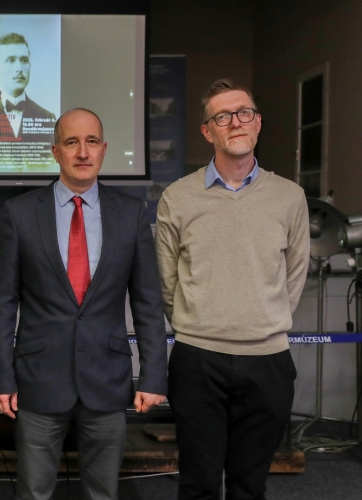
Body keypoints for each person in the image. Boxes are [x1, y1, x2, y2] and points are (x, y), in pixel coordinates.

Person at [0, 108, 168, 500]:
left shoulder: (130, 213)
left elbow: (147, 302)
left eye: (91, 142)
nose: (82, 152)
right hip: (37, 380)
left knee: (102, 493)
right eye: (72, 142)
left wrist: (154, 375)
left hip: (107, 379)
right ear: (56, 151)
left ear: (104, 149)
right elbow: (2, 304)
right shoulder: (20, 213)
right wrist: (1, 378)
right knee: (33, 493)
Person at [156, 79, 310, 500]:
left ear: (257, 123)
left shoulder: (290, 197)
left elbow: (295, 276)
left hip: (268, 361)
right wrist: (200, 323)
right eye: (222, 117)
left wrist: (262, 319)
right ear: (207, 131)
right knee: (198, 484)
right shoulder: (177, 197)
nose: (235, 122)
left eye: (244, 113)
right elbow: (167, 282)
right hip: (197, 360)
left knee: (250, 485)